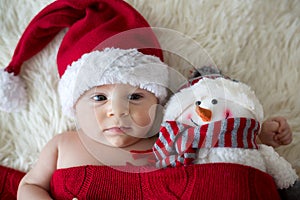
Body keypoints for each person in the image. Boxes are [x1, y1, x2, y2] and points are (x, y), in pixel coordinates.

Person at [0, 0, 293, 199]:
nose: (117, 111)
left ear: (157, 104)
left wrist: (261, 133)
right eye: (99, 97)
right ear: (74, 105)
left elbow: (218, 137)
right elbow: (30, 185)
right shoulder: (64, 144)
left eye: (136, 96)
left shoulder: (167, 137)